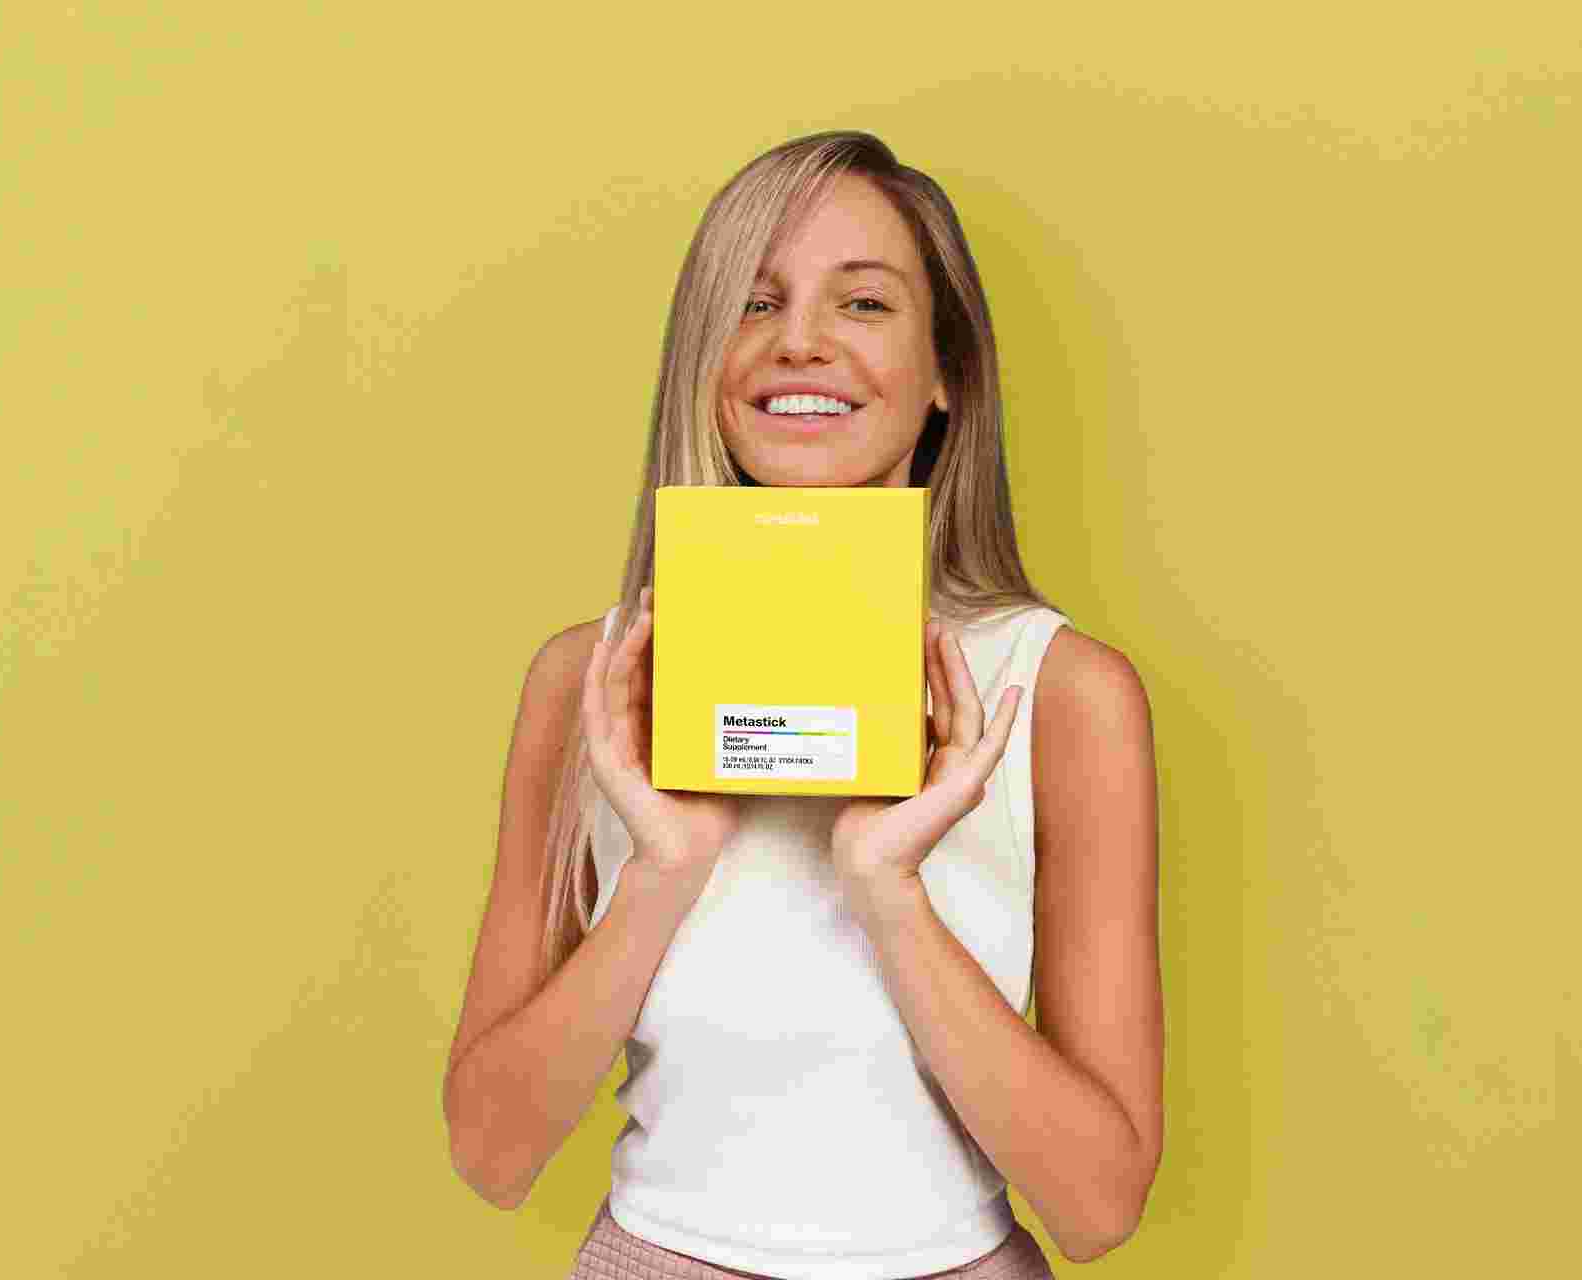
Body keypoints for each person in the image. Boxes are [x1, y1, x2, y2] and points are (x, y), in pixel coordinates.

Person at [442, 130, 1163, 1279]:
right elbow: (490, 1151)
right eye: (755, 301)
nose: (800, 342)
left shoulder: (1062, 693)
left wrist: (887, 888)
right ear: (705, 359)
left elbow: (1099, 1205)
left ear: (946, 371)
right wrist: (665, 866)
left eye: (863, 301)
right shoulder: (589, 684)